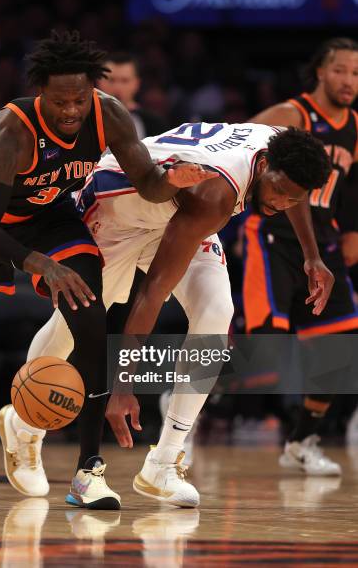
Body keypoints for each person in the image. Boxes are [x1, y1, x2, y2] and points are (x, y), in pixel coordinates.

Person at [0, 30, 213, 510]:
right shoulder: (14, 129)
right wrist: (39, 264)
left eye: (79, 100)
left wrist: (171, 180)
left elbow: (146, 183)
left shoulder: (108, 114)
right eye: (60, 101)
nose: (70, 111)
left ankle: (89, 473)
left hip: (50, 220)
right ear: (40, 93)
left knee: (91, 319)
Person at [23, 121, 333, 507]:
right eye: (279, 193)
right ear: (266, 164)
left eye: (292, 198)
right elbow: (153, 291)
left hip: (180, 214)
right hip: (119, 209)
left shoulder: (285, 150)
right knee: (75, 325)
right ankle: (24, 423)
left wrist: (311, 256)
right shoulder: (215, 193)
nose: (281, 203)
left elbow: (295, 189)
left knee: (217, 311)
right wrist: (124, 385)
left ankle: (164, 461)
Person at [242, 38, 358, 475]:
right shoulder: (293, 114)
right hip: (273, 235)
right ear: (322, 73)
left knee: (339, 348)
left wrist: (352, 231)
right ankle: (186, 402)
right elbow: (239, 148)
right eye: (342, 70)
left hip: (324, 244)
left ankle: (299, 442)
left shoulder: (356, 126)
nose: (349, 81)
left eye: (357, 73)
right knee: (264, 349)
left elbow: (353, 188)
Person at [98, 52, 167, 138]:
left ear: (136, 83)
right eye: (111, 80)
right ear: (99, 81)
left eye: (125, 80)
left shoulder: (154, 123)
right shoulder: (84, 119)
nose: (117, 87)